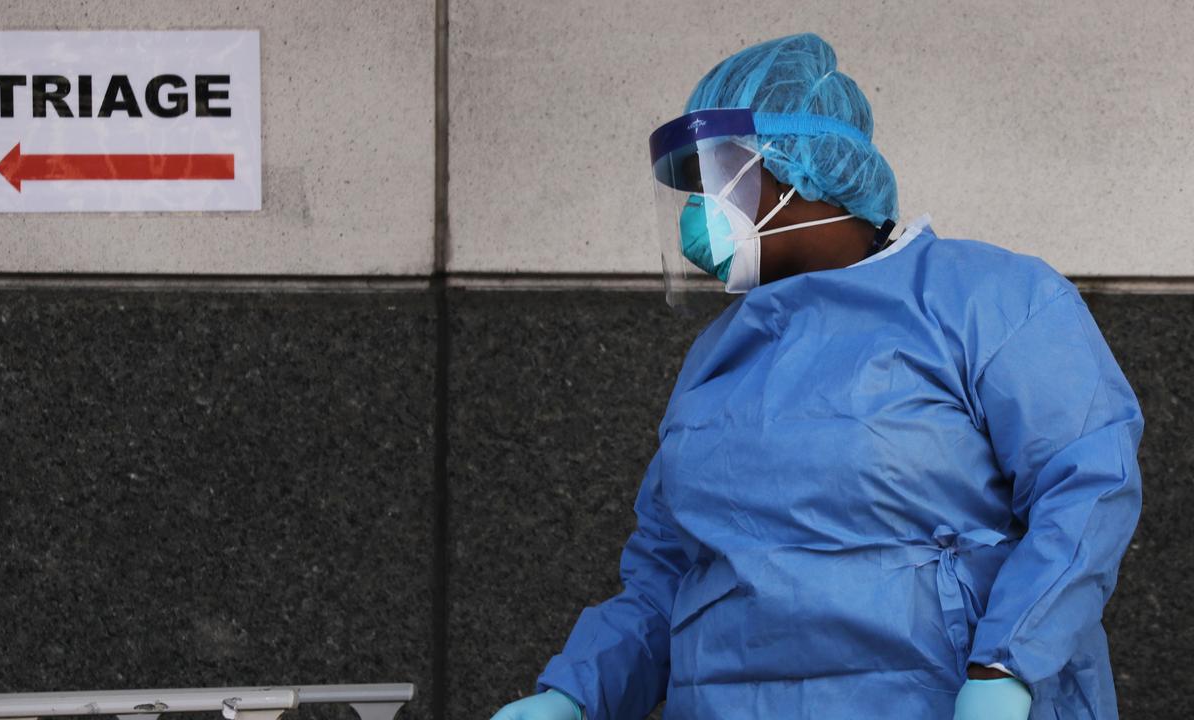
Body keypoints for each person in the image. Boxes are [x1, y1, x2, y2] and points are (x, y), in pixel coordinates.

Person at [488, 33, 1143, 720]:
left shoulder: (987, 300)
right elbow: (667, 574)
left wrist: (1007, 667)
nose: (694, 214)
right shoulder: (721, 358)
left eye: (713, 180)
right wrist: (574, 694)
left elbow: (1088, 486)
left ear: (793, 168)